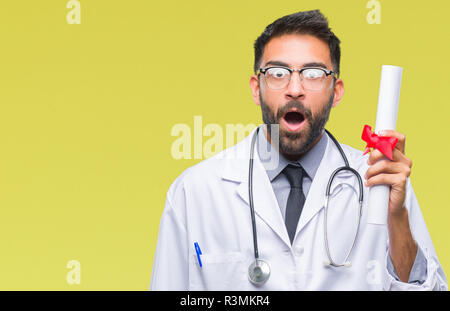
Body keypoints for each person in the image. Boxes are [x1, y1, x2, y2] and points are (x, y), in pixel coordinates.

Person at [150, 10, 447, 290]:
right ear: (257, 88)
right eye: (279, 72)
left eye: (313, 73)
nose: (295, 88)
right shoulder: (195, 191)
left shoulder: (381, 180)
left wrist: (397, 217)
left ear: (336, 92)